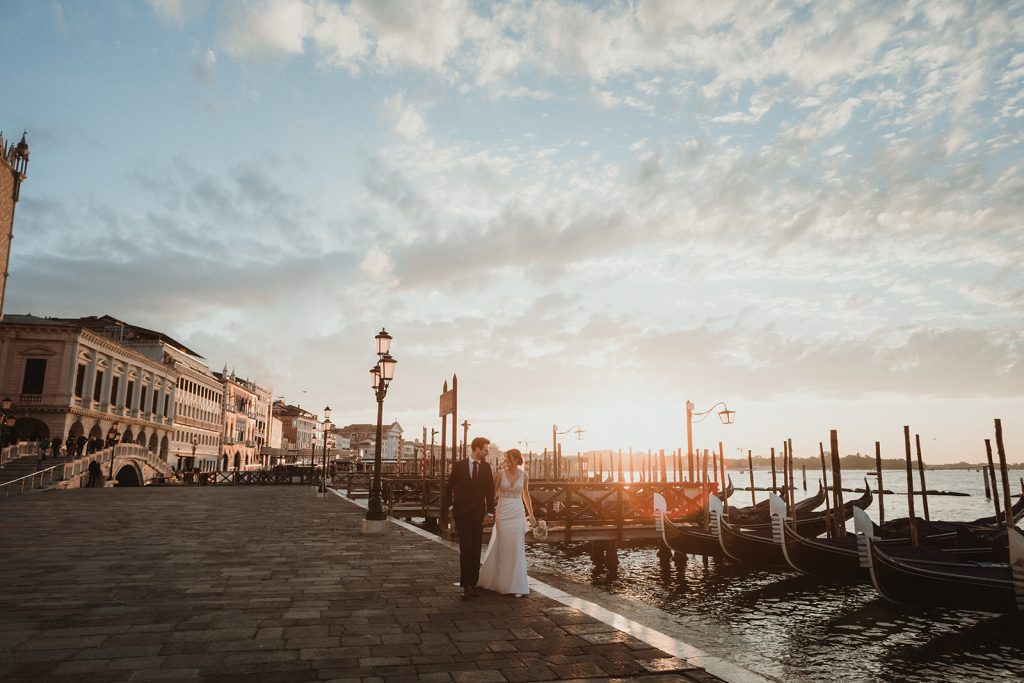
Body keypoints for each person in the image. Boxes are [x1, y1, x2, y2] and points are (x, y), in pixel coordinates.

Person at [477, 448, 535, 597]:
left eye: (508, 458)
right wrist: (486, 509)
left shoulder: (524, 475)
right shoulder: (500, 474)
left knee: (516, 546)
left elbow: (526, 495)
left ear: (516, 459)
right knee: (503, 545)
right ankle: (502, 582)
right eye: (506, 458)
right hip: (503, 513)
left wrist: (531, 515)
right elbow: (493, 494)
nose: (506, 461)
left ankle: (516, 585)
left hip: (517, 512)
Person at [443, 436, 495, 600]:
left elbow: (490, 491)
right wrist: (451, 507)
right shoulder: (459, 466)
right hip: (462, 513)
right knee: (466, 548)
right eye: (485, 450)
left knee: (476, 549)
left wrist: (490, 513)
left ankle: (472, 583)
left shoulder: (486, 467)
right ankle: (466, 585)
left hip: (479, 515)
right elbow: (448, 487)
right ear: (477, 449)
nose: (487, 453)